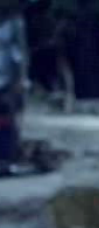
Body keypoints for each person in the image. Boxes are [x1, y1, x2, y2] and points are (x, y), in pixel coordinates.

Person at [0, 5, 28, 174]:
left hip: (8, 81)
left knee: (8, 122)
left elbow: (21, 54)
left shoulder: (15, 24)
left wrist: (21, 80)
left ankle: (6, 159)